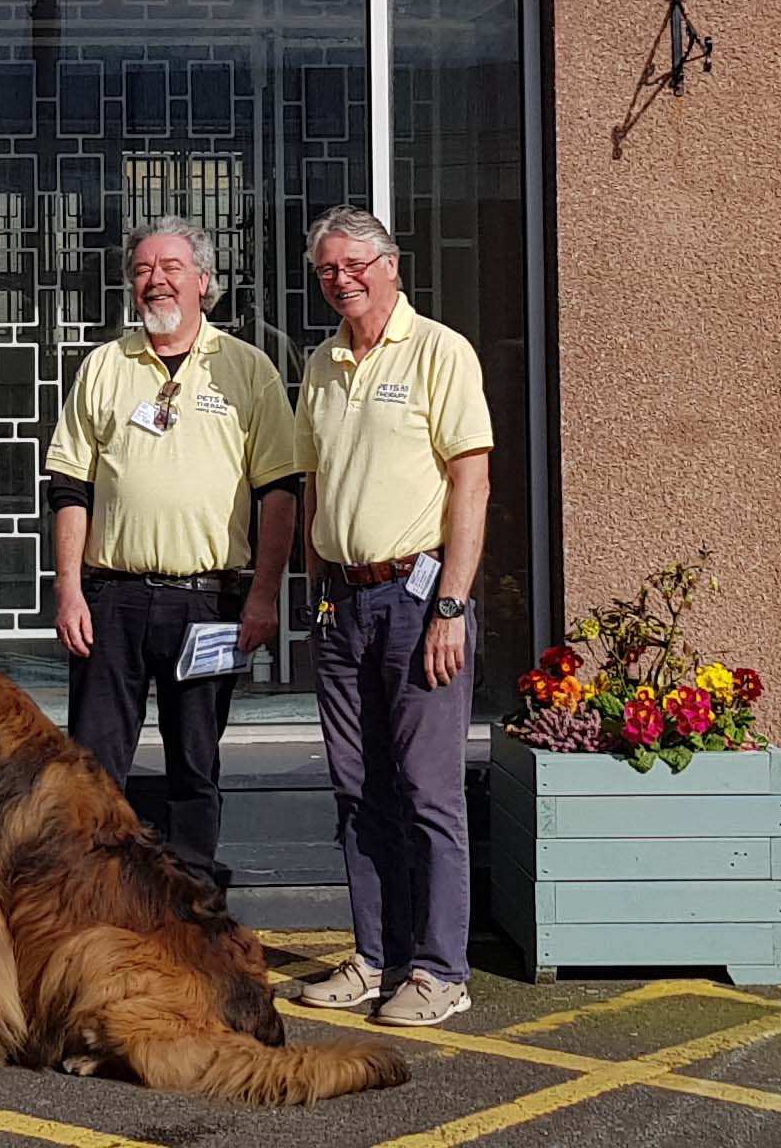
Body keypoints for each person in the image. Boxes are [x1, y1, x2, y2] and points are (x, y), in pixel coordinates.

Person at [45, 216, 298, 882]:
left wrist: (265, 594)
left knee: (195, 763)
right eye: (143, 271)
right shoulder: (104, 366)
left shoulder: (248, 369)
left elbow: (280, 491)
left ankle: (190, 906)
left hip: (209, 599)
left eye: (171, 269)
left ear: (204, 283)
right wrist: (68, 587)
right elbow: (70, 486)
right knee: (92, 766)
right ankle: (93, 896)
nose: (155, 282)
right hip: (112, 600)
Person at [292, 206, 492, 1028]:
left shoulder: (441, 350)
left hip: (418, 600)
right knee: (356, 790)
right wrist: (316, 598)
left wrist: (452, 604)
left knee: (428, 794)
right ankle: (375, 959)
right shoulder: (322, 364)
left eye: (353, 266)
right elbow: (313, 486)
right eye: (328, 270)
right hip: (343, 602)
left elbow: (471, 483)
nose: (342, 281)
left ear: (391, 265)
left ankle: (441, 969)